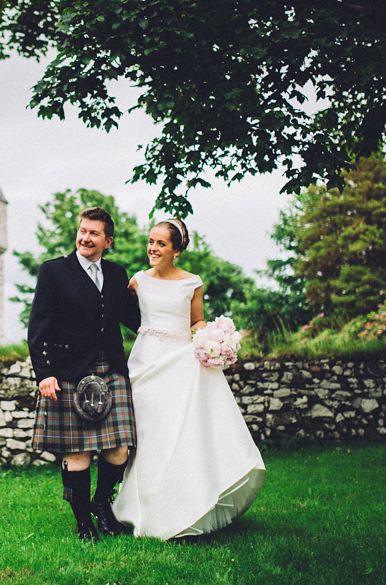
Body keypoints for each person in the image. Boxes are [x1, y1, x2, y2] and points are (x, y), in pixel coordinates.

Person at [112, 218, 266, 540]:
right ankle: (141, 509)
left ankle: (184, 506)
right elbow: (123, 315)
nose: (153, 248)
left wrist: (212, 340)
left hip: (181, 362)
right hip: (146, 361)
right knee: (148, 435)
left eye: (161, 244)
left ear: (176, 251)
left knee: (179, 434)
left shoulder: (192, 283)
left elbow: (196, 321)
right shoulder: (137, 281)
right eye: (151, 242)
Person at [29, 207, 142, 541]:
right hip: (68, 372)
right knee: (77, 453)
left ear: (107, 241)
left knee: (119, 448)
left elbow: (134, 321)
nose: (85, 238)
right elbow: (37, 327)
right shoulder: (54, 271)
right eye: (82, 230)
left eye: (94, 233)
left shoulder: (118, 273)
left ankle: (101, 504)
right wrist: (44, 373)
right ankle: (83, 523)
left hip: (111, 370)